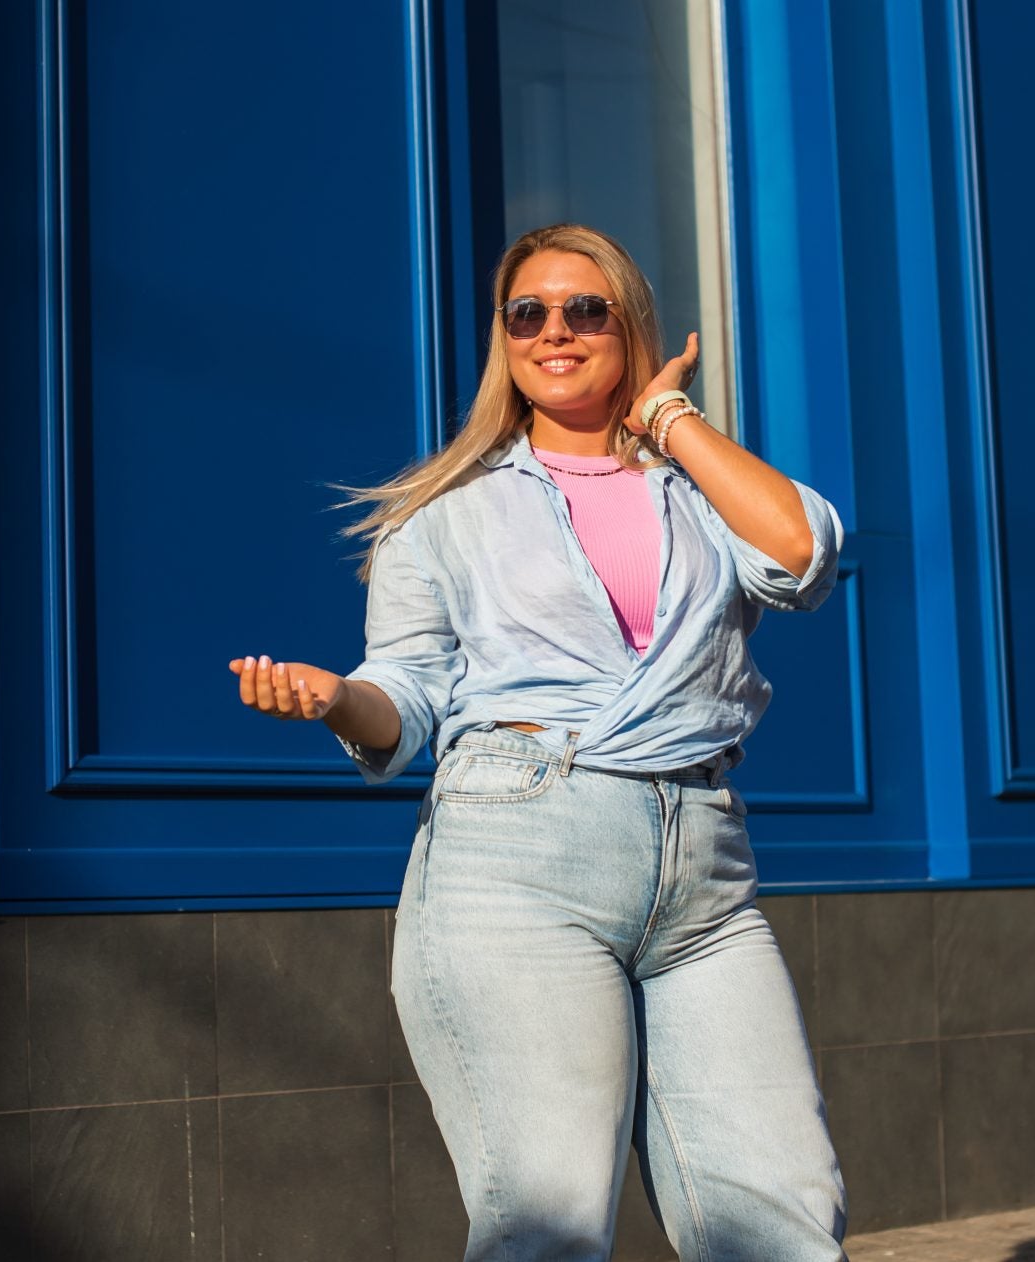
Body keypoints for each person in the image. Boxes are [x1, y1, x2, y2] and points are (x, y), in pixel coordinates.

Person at [227, 223, 847, 1261]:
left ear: (628, 327)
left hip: (702, 866)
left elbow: (800, 554)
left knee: (782, 1215)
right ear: (503, 339)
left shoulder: (700, 490)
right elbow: (405, 697)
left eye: (585, 309)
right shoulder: (445, 512)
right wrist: (339, 698)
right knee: (547, 1223)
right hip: (517, 859)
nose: (554, 331)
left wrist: (670, 416)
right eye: (528, 313)